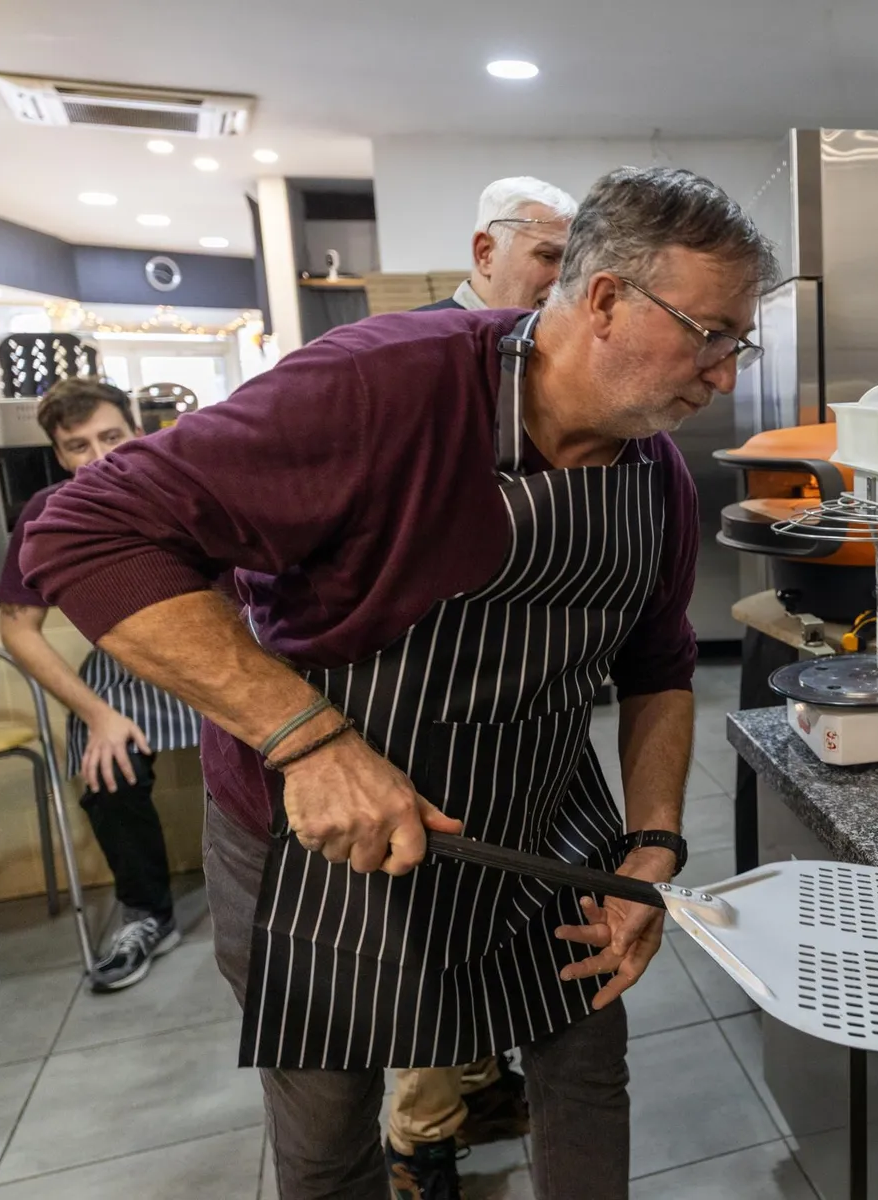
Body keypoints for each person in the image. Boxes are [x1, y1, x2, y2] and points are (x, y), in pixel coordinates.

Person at [22, 166, 776, 1200]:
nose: (724, 372)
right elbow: (84, 531)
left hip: (541, 833)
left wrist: (650, 842)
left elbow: (658, 666)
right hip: (323, 856)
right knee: (332, 1136)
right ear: (606, 301)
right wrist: (309, 739)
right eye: (711, 333)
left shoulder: (658, 475)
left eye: (740, 340)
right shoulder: (383, 386)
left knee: (587, 1076)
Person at [384, 173, 579, 1195]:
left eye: (571, 264)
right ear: (483, 248)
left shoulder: (544, 370)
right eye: (546, 256)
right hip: (413, 706)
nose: (558, 282)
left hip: (511, 711)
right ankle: (423, 1138)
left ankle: (476, 1076)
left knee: (483, 914)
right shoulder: (410, 363)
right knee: (424, 932)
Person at [0, 379, 203, 992]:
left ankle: (292, 904)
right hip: (124, 674)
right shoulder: (48, 512)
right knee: (109, 772)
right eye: (77, 445)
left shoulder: (185, 488)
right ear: (59, 456)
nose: (99, 457)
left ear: (136, 432)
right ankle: (147, 917)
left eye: (111, 437)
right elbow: (19, 631)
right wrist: (98, 716)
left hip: (215, 661)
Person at [418, 175, 578, 312]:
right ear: (485, 254)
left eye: (571, 263)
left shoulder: (558, 344)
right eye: (548, 257)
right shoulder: (416, 341)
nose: (563, 278)